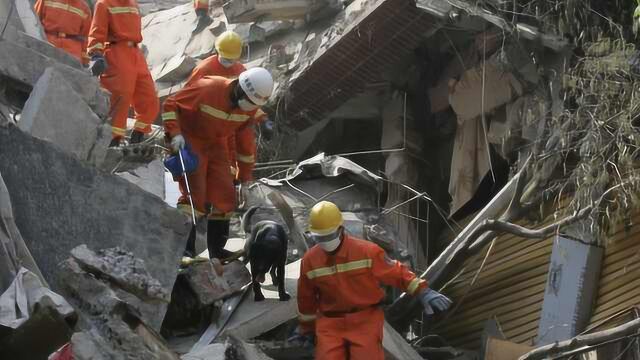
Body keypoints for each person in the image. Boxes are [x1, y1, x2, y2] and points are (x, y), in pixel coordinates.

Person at [295, 201, 453, 359]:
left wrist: (423, 291)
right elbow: (305, 297)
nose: (325, 241)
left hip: (364, 320)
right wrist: (306, 329)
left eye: (329, 236)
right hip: (330, 323)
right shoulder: (310, 260)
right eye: (320, 237)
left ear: (340, 229)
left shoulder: (366, 252)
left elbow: (396, 272)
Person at [162, 67, 274, 259]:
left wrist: (244, 178)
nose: (248, 106)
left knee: (225, 196)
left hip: (216, 143)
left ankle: (217, 251)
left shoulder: (249, 107)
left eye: (253, 104)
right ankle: (184, 249)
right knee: (194, 195)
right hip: (191, 138)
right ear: (239, 89)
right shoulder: (208, 88)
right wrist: (175, 134)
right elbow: (170, 105)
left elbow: (245, 144)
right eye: (248, 101)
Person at [86, 0, 159, 147]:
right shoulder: (104, 4)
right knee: (120, 97)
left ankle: (139, 134)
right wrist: (96, 54)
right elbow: (97, 31)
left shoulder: (133, 4)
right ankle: (112, 141)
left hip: (135, 53)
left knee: (149, 96)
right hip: (116, 52)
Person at [34, 0, 92, 64]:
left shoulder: (84, 8)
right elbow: (34, 22)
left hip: (72, 53)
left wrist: (86, 62)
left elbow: (86, 38)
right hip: (48, 46)